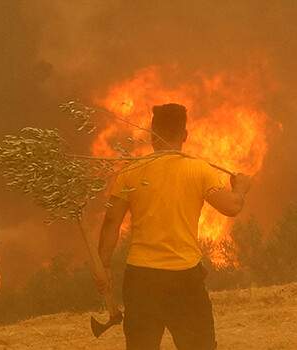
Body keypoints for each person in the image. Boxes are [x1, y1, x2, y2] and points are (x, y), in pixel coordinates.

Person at [95, 103, 251, 350]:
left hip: (141, 279)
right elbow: (232, 207)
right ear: (185, 135)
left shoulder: (131, 171)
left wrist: (103, 265)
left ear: (151, 134)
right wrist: (241, 187)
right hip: (184, 279)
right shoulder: (199, 170)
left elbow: (111, 223)